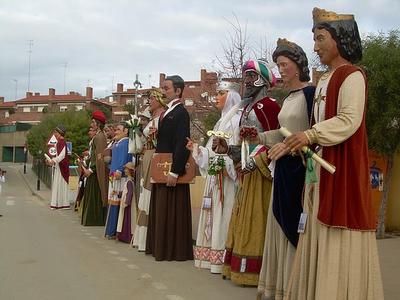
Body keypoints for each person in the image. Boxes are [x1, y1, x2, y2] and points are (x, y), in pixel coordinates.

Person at [283, 7, 384, 299]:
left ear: (340, 39)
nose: (315, 47)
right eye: (314, 39)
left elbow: (348, 120)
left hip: (343, 169)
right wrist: (305, 143)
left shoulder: (353, 76)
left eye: (321, 38)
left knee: (339, 225)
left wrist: (311, 134)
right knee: (316, 227)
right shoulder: (325, 79)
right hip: (320, 169)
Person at [256, 38, 315, 299]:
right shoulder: (289, 97)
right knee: (279, 223)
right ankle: (279, 286)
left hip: (299, 170)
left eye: (285, 64)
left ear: (299, 65)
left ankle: (296, 287)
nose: (281, 69)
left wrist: (290, 148)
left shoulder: (311, 94)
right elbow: (283, 133)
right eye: (279, 64)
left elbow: (313, 135)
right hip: (283, 169)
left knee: (293, 224)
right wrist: (259, 138)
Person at [213, 59, 280, 286]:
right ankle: (239, 267)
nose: (247, 82)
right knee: (244, 218)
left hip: (262, 173)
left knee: (256, 218)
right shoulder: (247, 109)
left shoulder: (269, 106)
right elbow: (244, 144)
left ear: (262, 80)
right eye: (246, 77)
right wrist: (229, 150)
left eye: (251, 76)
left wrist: (255, 161)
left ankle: (256, 271)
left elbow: (275, 142)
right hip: (246, 171)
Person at [186, 81, 241, 273]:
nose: (216, 97)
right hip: (214, 179)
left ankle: (222, 257)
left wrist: (223, 163)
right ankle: (211, 256)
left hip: (225, 180)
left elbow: (233, 152)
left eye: (221, 93)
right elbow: (212, 152)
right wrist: (198, 150)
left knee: (223, 214)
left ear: (231, 97)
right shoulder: (221, 121)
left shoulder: (235, 121)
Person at [145, 75, 193, 261]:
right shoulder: (168, 112)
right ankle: (161, 247)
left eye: (166, 88)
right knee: (162, 208)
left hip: (171, 169)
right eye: (163, 88)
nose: (163, 92)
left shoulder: (181, 113)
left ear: (178, 91)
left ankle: (173, 250)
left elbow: (182, 142)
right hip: (161, 167)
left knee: (171, 209)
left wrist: (175, 171)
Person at [132, 88, 166, 251]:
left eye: (152, 98)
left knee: (150, 193)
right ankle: (142, 237)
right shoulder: (153, 119)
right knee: (144, 194)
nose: (149, 101)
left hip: (155, 157)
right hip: (147, 156)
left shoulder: (162, 118)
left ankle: (148, 236)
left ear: (159, 100)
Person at [105, 122, 132, 238]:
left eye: (118, 130)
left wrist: (120, 170)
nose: (115, 132)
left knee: (116, 202)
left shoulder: (125, 143)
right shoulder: (118, 143)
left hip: (119, 177)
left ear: (126, 131)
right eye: (115, 130)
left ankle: (114, 230)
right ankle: (111, 229)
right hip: (114, 175)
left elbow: (123, 159)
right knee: (112, 201)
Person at [81, 110, 108, 226]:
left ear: (97, 124)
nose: (91, 124)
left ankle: (95, 219)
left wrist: (91, 169)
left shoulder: (100, 137)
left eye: (93, 122)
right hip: (93, 169)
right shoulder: (97, 137)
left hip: (96, 171)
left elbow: (99, 156)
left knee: (95, 195)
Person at [48, 125, 70, 210]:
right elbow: (58, 156)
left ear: (60, 133)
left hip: (62, 167)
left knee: (61, 185)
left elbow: (62, 156)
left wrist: (53, 161)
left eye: (56, 132)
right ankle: (58, 203)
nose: (55, 134)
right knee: (58, 185)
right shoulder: (59, 142)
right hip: (59, 166)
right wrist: (52, 161)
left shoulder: (62, 142)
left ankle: (62, 204)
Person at [116, 162, 136, 243]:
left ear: (130, 171)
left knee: (127, 219)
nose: (125, 170)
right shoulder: (128, 181)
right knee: (125, 219)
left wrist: (126, 202)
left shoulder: (130, 181)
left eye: (126, 169)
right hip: (125, 203)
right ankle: (124, 236)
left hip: (127, 204)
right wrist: (118, 193)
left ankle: (126, 236)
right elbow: (125, 191)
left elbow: (130, 193)